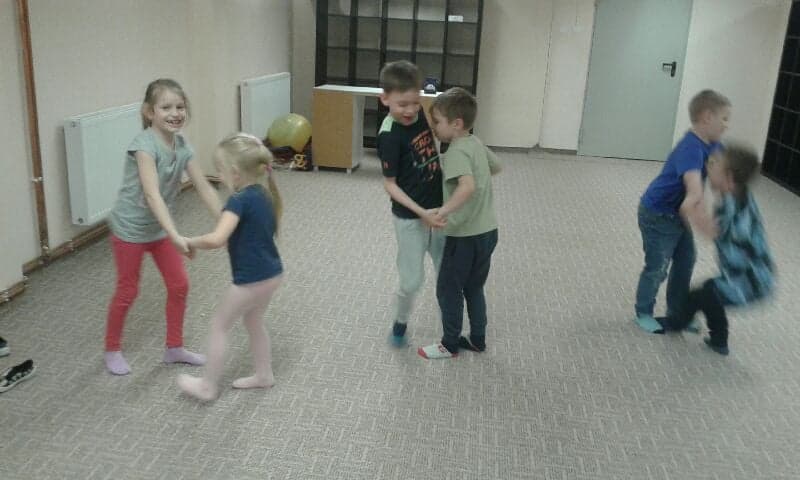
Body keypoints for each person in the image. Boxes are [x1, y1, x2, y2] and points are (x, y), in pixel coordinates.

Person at [104, 79, 222, 375]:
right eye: (166, 107)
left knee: (179, 285)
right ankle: (112, 348)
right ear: (149, 112)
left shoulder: (182, 146)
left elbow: (203, 186)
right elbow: (152, 195)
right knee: (128, 291)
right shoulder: (143, 146)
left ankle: (174, 348)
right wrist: (176, 236)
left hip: (159, 230)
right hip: (130, 230)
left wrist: (226, 221)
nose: (175, 113)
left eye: (180, 107)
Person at [177, 133, 283, 401]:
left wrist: (189, 241)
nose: (219, 175)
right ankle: (264, 375)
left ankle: (207, 386)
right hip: (272, 273)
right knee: (253, 321)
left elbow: (217, 238)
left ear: (235, 173)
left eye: (221, 170)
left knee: (219, 326)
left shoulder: (238, 200)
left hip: (251, 280)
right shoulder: (263, 193)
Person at [662, 144, 774, 355]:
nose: (708, 168)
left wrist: (690, 211)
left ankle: (675, 323)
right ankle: (719, 341)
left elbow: (711, 231)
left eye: (714, 167)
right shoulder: (738, 195)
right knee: (710, 292)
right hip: (751, 275)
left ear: (729, 179)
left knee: (700, 295)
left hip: (749, 281)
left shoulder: (732, 208)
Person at [634, 90, 730, 334]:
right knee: (658, 267)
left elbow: (723, 176)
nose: (726, 125)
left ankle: (677, 312)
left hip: (677, 215)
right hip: (657, 215)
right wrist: (707, 227)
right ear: (707, 117)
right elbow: (694, 194)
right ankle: (643, 312)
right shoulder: (690, 149)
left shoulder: (714, 145)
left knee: (686, 260)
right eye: (724, 118)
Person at [418, 87, 501, 359]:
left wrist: (442, 212)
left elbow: (467, 187)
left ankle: (449, 344)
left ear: (456, 123)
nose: (434, 127)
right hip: (488, 231)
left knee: (448, 289)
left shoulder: (455, 152)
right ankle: (477, 339)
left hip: (463, 236)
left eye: (437, 122)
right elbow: (496, 166)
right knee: (474, 287)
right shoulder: (474, 143)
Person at [377, 60, 446, 347]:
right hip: (410, 218)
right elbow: (390, 184)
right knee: (411, 280)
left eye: (415, 103)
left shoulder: (419, 116)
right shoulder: (389, 136)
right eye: (402, 104)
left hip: (440, 210)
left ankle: (451, 329)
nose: (410, 111)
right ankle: (400, 320)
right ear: (385, 99)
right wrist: (421, 213)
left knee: (447, 272)